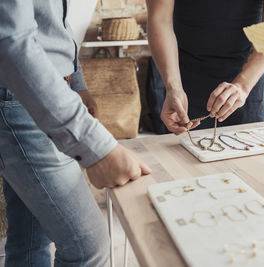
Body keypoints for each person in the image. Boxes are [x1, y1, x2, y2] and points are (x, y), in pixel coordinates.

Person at [0, 1, 151, 266]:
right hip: (18, 97)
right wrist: (96, 148)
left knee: (31, 237)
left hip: (39, 90)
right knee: (88, 247)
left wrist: (76, 82)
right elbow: (10, 40)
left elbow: (52, 22)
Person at [146, 0, 264, 134]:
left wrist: (243, 85)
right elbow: (160, 19)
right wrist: (173, 87)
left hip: (250, 77)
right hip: (182, 77)